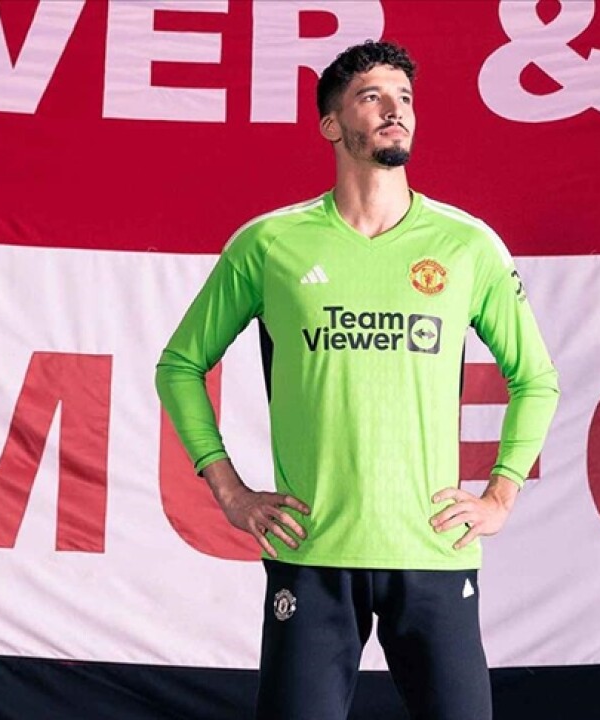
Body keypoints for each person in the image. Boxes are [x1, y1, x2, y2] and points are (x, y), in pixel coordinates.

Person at [155, 40, 559, 720]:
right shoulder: (271, 243)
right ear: (331, 124)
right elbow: (180, 366)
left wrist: (501, 493)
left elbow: (536, 378)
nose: (394, 110)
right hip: (313, 551)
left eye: (404, 98)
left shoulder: (466, 244)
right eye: (372, 97)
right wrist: (229, 491)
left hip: (431, 549)